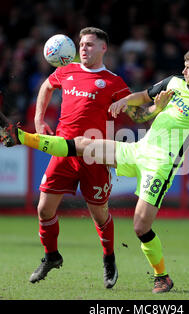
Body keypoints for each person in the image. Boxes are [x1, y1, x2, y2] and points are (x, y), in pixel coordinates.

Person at [0, 47, 189, 293]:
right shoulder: (174, 82)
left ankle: (162, 277)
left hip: (161, 165)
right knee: (83, 145)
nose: (184, 70)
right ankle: (20, 136)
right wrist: (125, 99)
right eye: (184, 65)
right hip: (139, 150)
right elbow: (145, 96)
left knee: (140, 226)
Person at [22, 27, 131, 288]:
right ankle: (51, 256)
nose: (84, 48)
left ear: (104, 48)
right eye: (81, 44)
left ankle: (108, 259)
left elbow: (135, 110)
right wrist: (38, 120)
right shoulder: (66, 71)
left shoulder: (114, 82)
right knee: (44, 208)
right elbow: (46, 87)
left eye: (90, 45)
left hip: (94, 156)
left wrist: (152, 108)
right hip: (63, 150)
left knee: (99, 214)